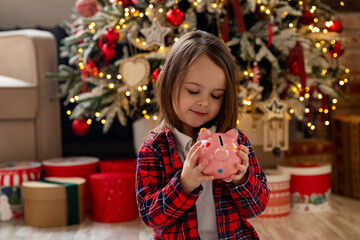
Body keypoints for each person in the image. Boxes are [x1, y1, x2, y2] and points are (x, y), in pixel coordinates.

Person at [135, 30, 270, 240]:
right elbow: (150, 216)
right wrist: (184, 184)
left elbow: (256, 208)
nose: (205, 103)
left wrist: (241, 179)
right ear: (169, 86)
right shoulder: (154, 149)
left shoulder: (237, 143)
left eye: (216, 95)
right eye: (193, 91)